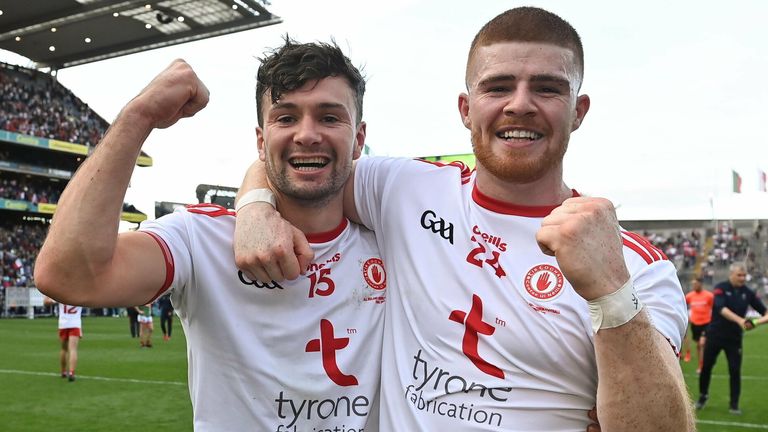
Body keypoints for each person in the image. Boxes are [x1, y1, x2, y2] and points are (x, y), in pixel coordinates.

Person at [233, 7, 694, 431]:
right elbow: (303, 164)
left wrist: (610, 293)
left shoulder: (636, 267)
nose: (519, 105)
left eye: (547, 88)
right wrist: (255, 205)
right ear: (465, 109)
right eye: (498, 87)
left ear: (578, 111)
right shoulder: (401, 189)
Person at [34, 38, 386, 431]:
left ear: (359, 139)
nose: (306, 134)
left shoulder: (397, 241)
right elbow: (67, 276)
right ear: (259, 140)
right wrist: (137, 117)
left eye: (329, 117)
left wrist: (254, 202)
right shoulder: (199, 238)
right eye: (285, 118)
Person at [695, 262, 768, 414]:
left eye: (744, 275)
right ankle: (703, 396)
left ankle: (734, 405)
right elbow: (721, 309)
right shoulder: (721, 288)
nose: (742, 278)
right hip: (715, 335)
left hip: (734, 339)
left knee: (735, 371)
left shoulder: (748, 292)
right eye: (739, 275)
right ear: (731, 275)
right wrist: (741, 321)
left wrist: (755, 322)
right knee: (706, 367)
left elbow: (765, 313)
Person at [43, 297, 82, 382]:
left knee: (64, 349)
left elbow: (46, 302)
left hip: (63, 324)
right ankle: (71, 372)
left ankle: (63, 371)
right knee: (73, 349)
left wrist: (51, 300)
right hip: (75, 323)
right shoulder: (80, 294)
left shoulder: (62, 294)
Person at [683, 276, 714, 372]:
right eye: (693, 284)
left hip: (706, 323)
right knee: (698, 345)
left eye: (695, 284)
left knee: (702, 344)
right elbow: (682, 305)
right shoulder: (689, 296)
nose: (694, 286)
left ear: (701, 284)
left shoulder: (709, 296)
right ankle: (701, 362)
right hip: (695, 324)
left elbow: (716, 308)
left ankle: (702, 366)